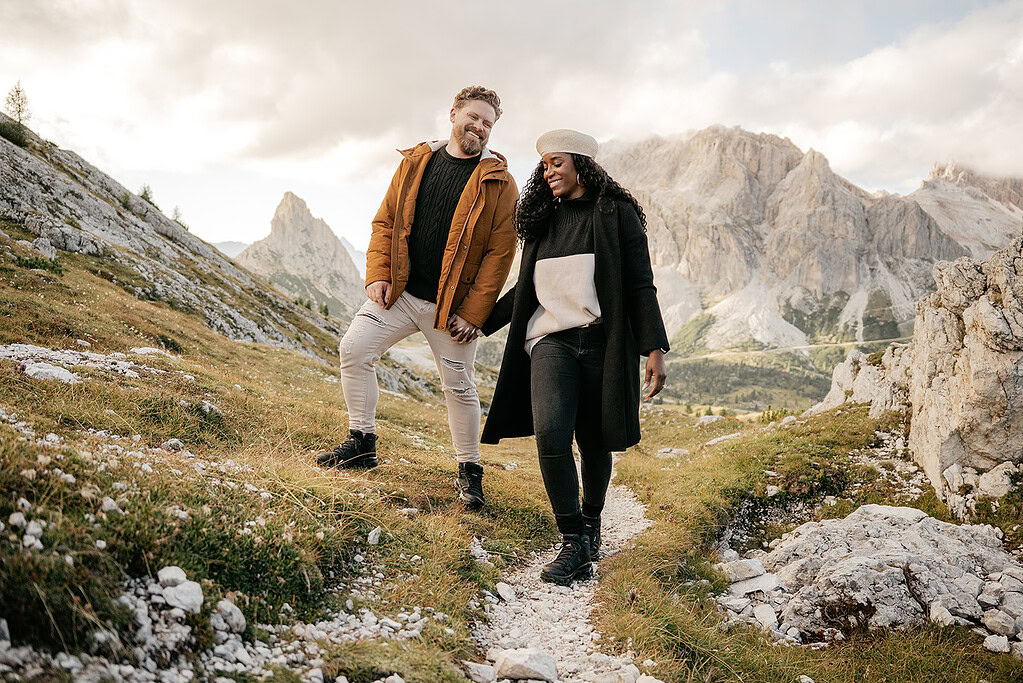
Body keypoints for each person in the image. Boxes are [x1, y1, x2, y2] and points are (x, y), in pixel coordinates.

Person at [480, 129, 668, 585]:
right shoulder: (542, 220)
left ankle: (592, 519)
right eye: (543, 166)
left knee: (596, 441)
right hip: (551, 342)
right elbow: (526, 289)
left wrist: (654, 348)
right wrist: (478, 320)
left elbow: (640, 283)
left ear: (582, 163)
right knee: (551, 434)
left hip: (604, 343)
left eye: (556, 163)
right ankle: (573, 542)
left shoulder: (617, 214)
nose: (548, 172)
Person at [318, 86, 518, 512]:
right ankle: (361, 443)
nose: (479, 128)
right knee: (354, 349)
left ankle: (469, 473)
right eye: (474, 117)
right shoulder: (415, 162)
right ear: (453, 113)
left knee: (459, 388)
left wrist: (475, 313)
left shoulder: (500, 183)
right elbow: (385, 222)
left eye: (488, 123)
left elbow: (500, 254)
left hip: (452, 311)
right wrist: (378, 275)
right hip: (401, 294)